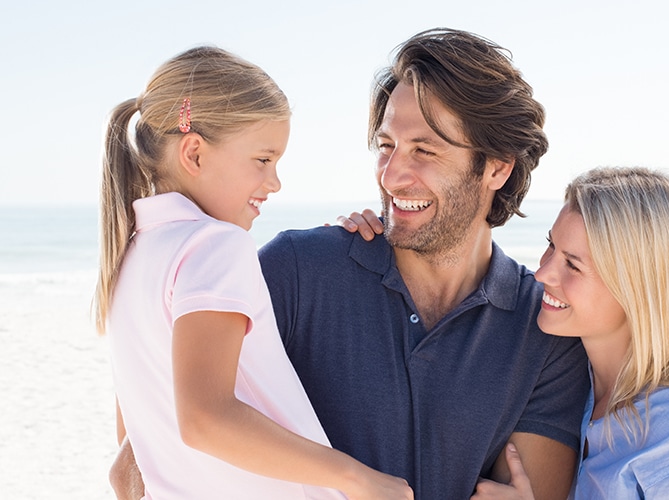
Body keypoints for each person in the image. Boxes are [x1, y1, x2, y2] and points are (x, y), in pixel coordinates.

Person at [109, 29, 589, 500]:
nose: (393, 174)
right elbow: (156, 399)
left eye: (424, 150)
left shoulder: (543, 330)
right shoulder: (296, 270)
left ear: (497, 168)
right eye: (386, 147)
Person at [95, 46, 412, 499]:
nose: (275, 182)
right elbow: (205, 419)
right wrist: (357, 478)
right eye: (263, 160)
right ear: (194, 153)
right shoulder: (215, 245)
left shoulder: (129, 258)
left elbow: (127, 463)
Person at [469, 167, 669, 499]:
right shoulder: (570, 377)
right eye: (550, 245)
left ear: (637, 289)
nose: (542, 273)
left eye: (572, 265)